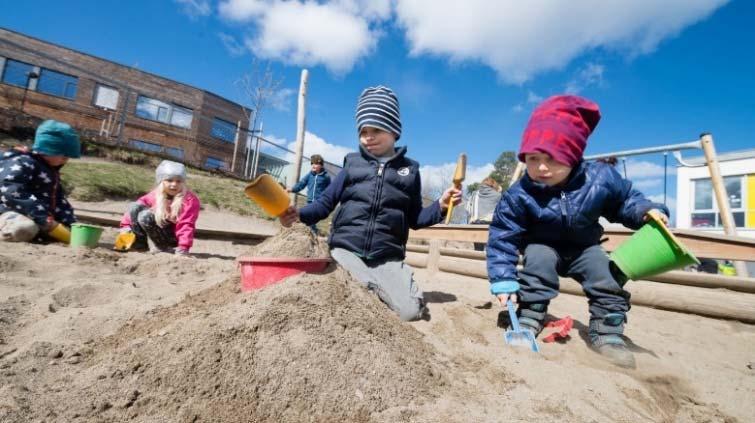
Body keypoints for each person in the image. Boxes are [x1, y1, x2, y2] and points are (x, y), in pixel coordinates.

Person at [486, 95, 669, 368]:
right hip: (543, 244)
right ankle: (530, 314)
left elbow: (626, 201)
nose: (542, 167)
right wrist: (503, 279)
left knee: (605, 275)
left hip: (585, 247)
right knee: (538, 261)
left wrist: (646, 211)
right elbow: (502, 235)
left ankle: (607, 332)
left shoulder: (600, 179)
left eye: (553, 158)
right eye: (533, 159)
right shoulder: (519, 194)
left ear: (573, 156)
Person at [279, 86, 461, 321]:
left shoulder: (410, 172)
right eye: (362, 131)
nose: (368, 137)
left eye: (376, 129)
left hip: (386, 256)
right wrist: (299, 215)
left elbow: (416, 219)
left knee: (409, 312)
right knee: (343, 286)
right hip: (347, 250)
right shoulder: (352, 165)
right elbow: (325, 203)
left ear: (394, 131)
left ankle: (379, 286)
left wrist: (442, 205)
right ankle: (367, 286)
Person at [0, 120, 80, 242]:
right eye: (64, 156)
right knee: (25, 228)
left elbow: (58, 200)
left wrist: (70, 222)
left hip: (40, 218)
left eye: (68, 157)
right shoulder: (23, 162)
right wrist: (42, 217)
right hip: (9, 212)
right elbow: (11, 191)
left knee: (64, 230)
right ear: (48, 149)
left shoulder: (51, 171)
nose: (66, 160)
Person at [119, 160, 200, 255]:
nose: (174, 184)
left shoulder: (189, 199)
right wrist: (125, 227)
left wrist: (184, 247)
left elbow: (186, 224)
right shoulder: (155, 194)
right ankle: (138, 246)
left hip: (173, 238)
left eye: (178, 181)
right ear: (161, 181)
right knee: (135, 206)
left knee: (146, 216)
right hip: (158, 231)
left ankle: (163, 248)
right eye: (169, 180)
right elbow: (135, 208)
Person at [287, 154, 331, 234]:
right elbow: (301, 184)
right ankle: (311, 231)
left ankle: (313, 232)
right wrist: (292, 189)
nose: (313, 165)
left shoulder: (326, 177)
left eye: (316, 164)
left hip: (319, 201)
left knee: (312, 218)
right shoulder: (309, 175)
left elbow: (329, 189)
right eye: (312, 163)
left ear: (321, 165)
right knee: (308, 217)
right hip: (310, 200)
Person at [465, 177, 502, 251]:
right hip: (492, 226)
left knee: (478, 250)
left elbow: (467, 209)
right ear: (493, 185)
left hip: (475, 225)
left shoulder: (473, 195)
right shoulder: (498, 195)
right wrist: (500, 190)